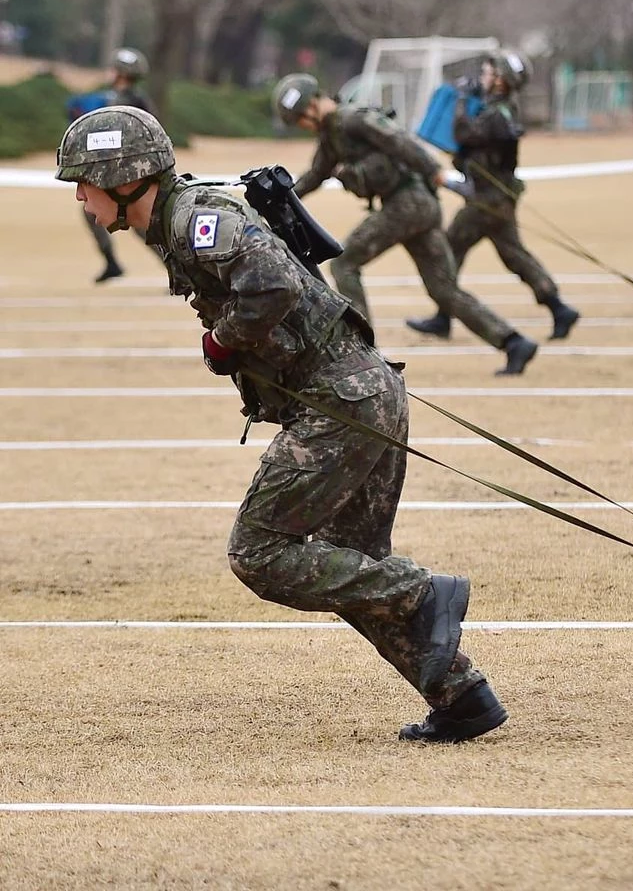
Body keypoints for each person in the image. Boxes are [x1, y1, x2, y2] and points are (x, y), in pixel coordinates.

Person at [55, 105, 509, 744]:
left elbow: (271, 286)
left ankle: (425, 591)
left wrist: (224, 340)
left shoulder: (194, 221)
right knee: (352, 564)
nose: (78, 195)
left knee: (259, 552)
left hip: (342, 401)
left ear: (125, 178)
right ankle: (462, 696)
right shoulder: (175, 221)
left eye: (84, 181)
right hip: (358, 392)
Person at [272, 73, 538, 376]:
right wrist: (280, 196)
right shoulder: (332, 135)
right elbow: (316, 174)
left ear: (311, 106)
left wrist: (433, 170)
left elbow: (397, 140)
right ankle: (513, 342)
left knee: (344, 262)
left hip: (408, 204)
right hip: (415, 207)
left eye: (300, 120)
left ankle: (363, 354)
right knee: (444, 289)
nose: (303, 127)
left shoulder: (352, 120)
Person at [406, 49, 580, 342]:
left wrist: (461, 100)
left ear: (501, 81)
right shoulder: (497, 110)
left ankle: (444, 315)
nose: (483, 78)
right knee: (513, 255)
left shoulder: (498, 115)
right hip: (494, 198)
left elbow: (463, 134)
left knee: (447, 249)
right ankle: (558, 307)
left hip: (487, 201)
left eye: (489, 73)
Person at [71, 47, 159, 283]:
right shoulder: (113, 97)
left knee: (140, 222)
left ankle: (177, 269)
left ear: (121, 72)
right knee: (95, 214)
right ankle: (111, 263)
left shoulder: (133, 101)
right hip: (113, 172)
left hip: (128, 173)